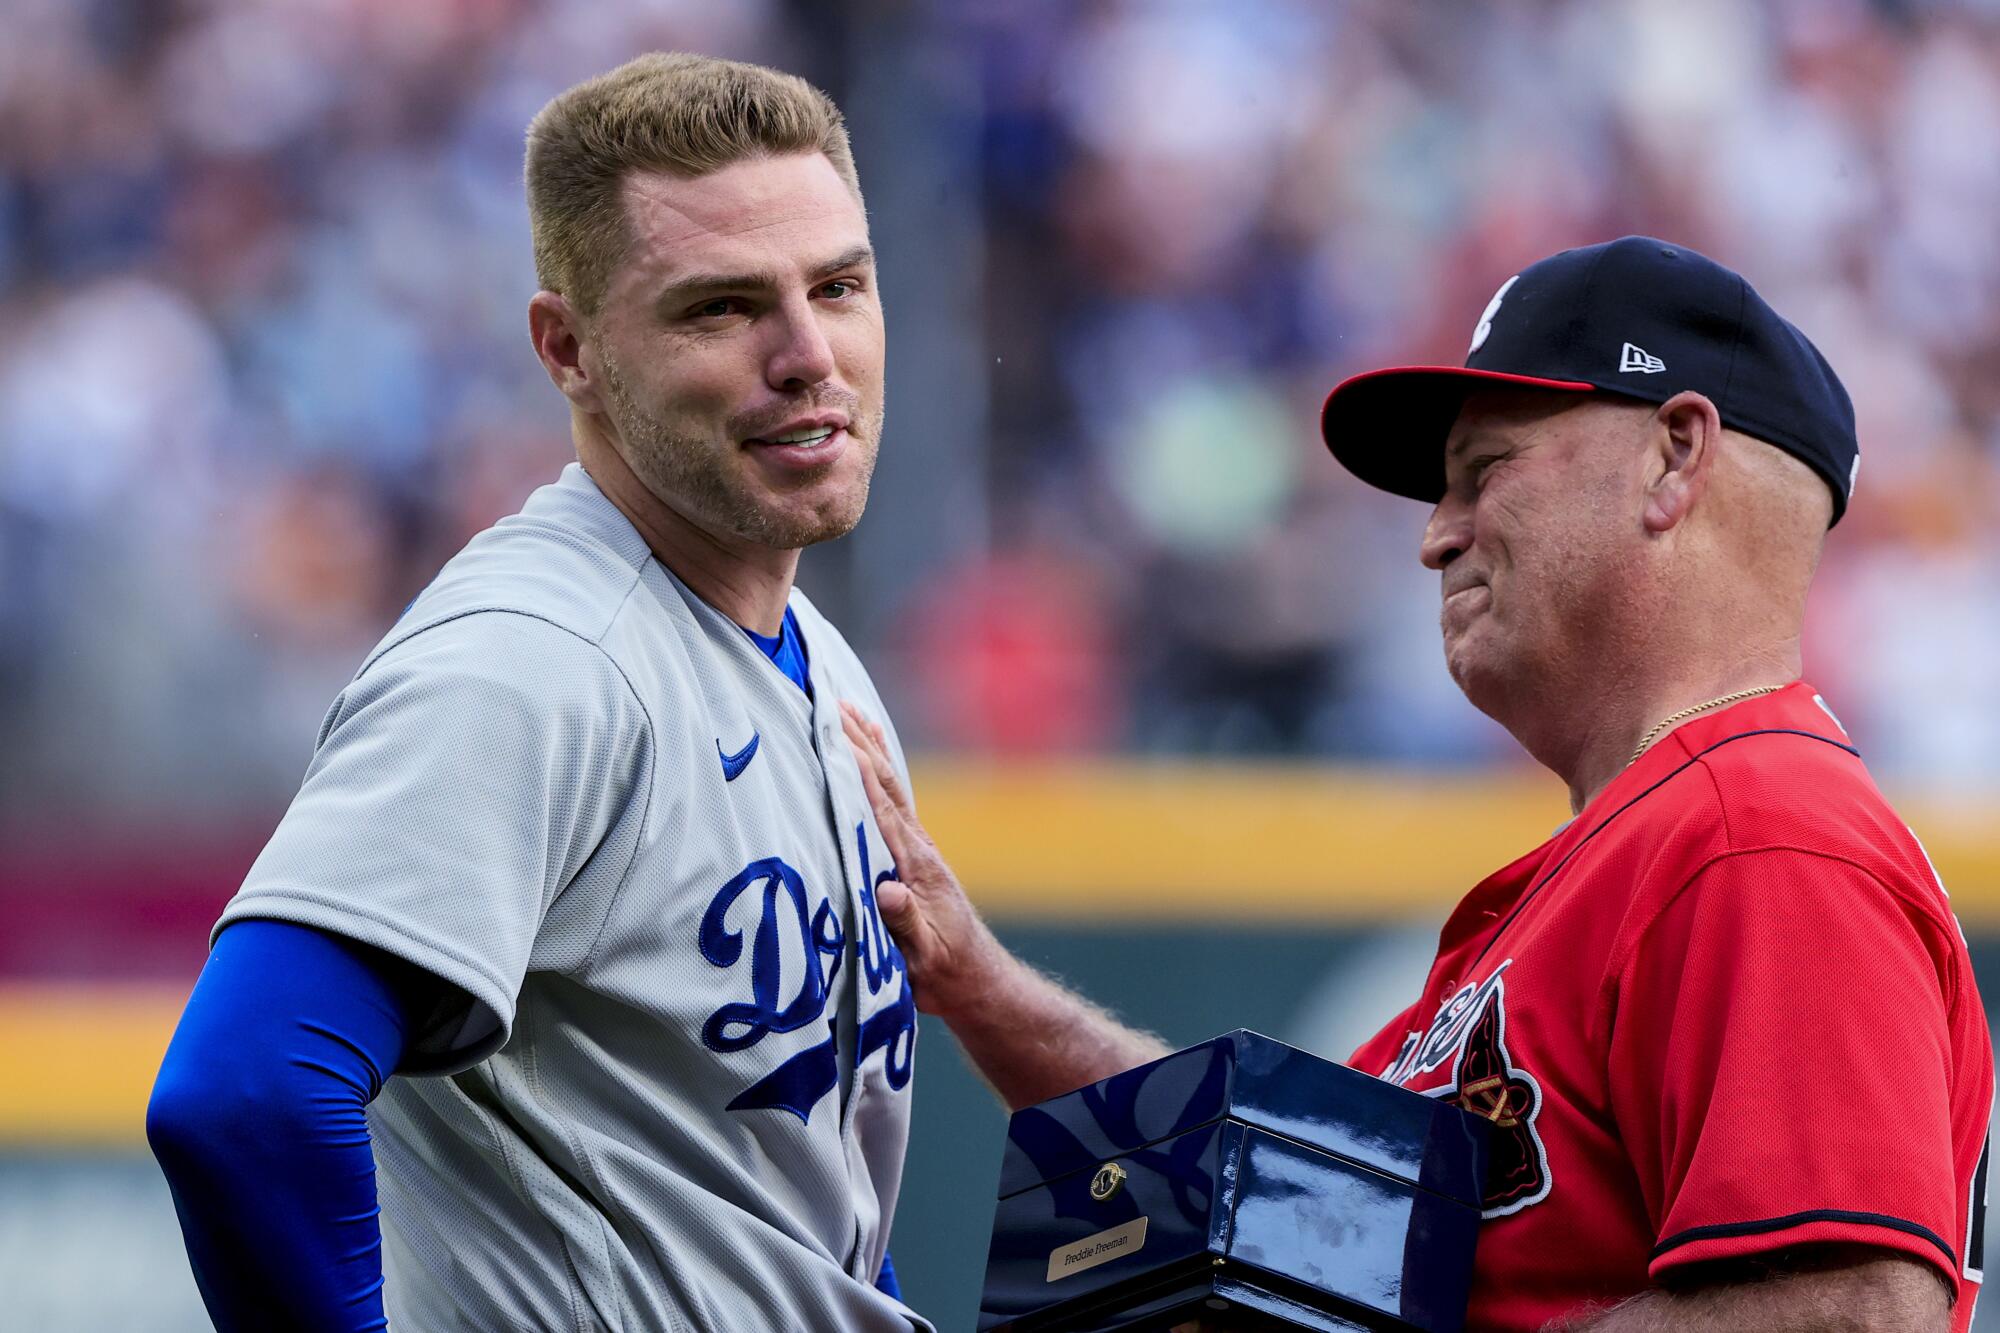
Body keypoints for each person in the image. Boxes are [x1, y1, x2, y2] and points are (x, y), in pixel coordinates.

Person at [840, 237, 1993, 1332]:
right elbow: (1260, 1186)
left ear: (1673, 456)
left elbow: (1848, 1307)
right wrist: (979, 983)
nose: (1434, 536)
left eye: (1482, 471)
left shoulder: (1758, 832)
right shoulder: (1620, 861)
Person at [146, 53, 926, 1332]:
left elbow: (804, 1216)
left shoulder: (815, 659)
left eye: (837, 286)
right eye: (722, 309)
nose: (806, 354)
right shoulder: (534, 657)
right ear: (568, 349)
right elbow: (247, 1094)